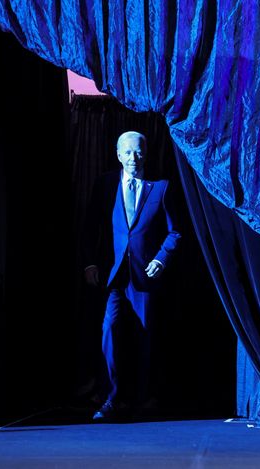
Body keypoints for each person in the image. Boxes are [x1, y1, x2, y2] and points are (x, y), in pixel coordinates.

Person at [82, 131, 181, 421]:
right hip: (113, 277)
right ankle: (110, 398)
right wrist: (89, 264)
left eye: (137, 152)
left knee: (145, 336)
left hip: (144, 277)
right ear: (118, 155)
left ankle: (143, 399)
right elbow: (91, 226)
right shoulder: (106, 184)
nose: (132, 158)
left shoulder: (161, 188)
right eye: (127, 153)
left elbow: (175, 231)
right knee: (109, 331)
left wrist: (161, 259)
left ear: (145, 154)